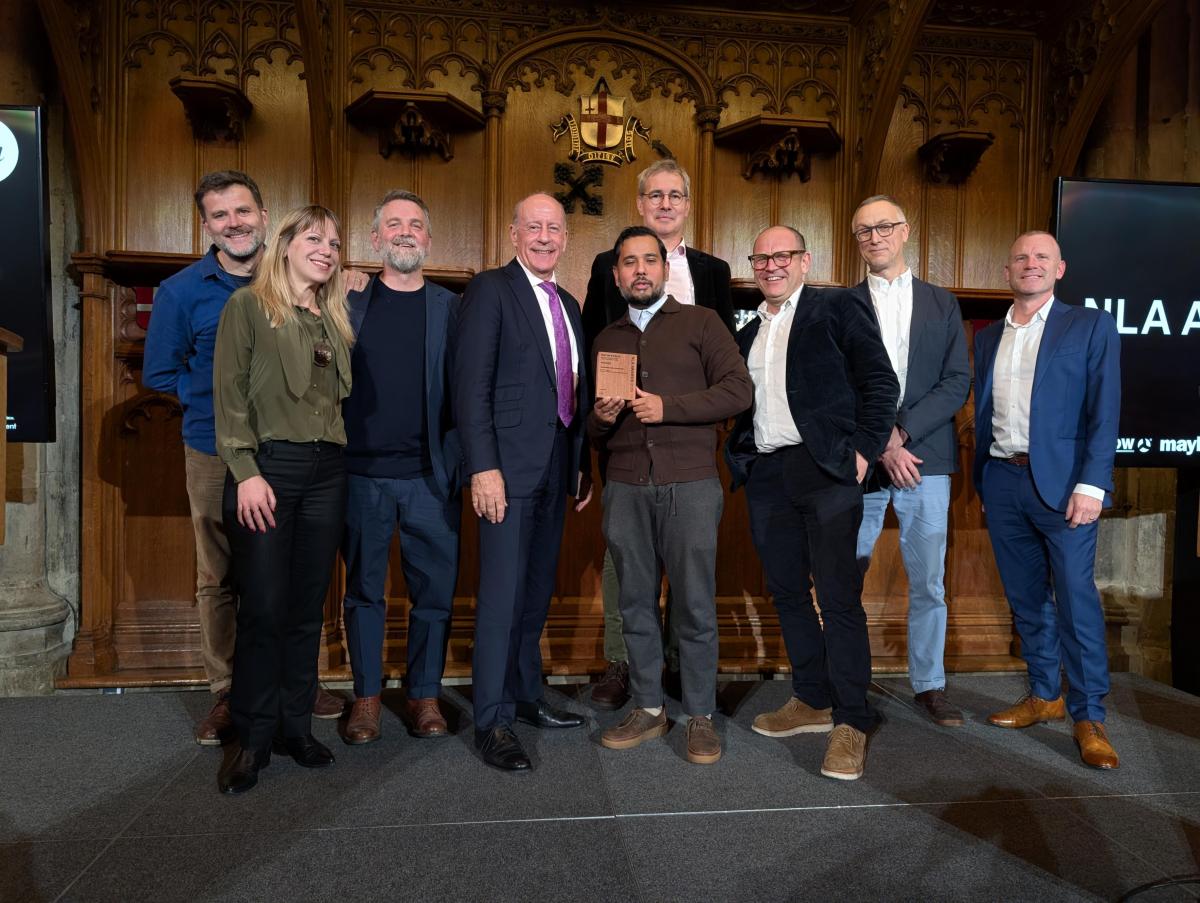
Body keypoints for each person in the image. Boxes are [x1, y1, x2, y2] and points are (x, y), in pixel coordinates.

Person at [143, 172, 344, 744]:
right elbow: (159, 371)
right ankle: (228, 691)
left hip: (290, 451)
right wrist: (217, 396)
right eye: (219, 215)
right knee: (223, 573)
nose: (233, 223)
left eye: (243, 211)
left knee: (287, 578)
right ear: (205, 225)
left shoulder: (300, 278)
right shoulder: (183, 290)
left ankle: (289, 687)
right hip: (214, 448)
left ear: (263, 216)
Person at [726, 226, 897, 781]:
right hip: (768, 473)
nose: (771, 265)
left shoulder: (838, 306)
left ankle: (851, 720)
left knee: (839, 598)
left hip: (827, 470)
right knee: (788, 593)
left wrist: (865, 452)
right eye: (761, 257)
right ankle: (812, 698)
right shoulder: (748, 325)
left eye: (782, 255)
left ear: (804, 260)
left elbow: (880, 383)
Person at [590, 226, 751, 764]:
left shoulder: (702, 322)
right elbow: (589, 432)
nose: (640, 270)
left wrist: (668, 407)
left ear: (664, 269)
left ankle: (700, 715)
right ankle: (649, 708)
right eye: (629, 262)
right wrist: (600, 418)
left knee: (695, 605)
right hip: (626, 484)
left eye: (649, 261)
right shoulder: (606, 338)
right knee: (634, 603)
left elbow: (738, 390)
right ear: (616, 275)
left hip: (691, 484)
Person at [582, 159, 735, 709]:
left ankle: (691, 695)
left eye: (675, 195)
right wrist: (599, 419)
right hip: (626, 462)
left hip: (691, 461)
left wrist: (672, 408)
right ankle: (632, 676)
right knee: (629, 584)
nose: (665, 203)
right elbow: (595, 366)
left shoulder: (709, 292)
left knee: (693, 593)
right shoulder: (608, 297)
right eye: (655, 195)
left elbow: (733, 380)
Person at [212, 205, 354, 794]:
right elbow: (229, 394)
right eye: (315, 238)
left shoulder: (334, 319)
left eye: (335, 242)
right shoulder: (247, 306)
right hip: (267, 470)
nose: (327, 248)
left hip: (327, 472)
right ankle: (251, 735)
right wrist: (244, 470)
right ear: (286, 244)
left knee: (304, 610)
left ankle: (296, 727)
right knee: (264, 608)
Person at [973, 231, 1121, 770]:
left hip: (1066, 489)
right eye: (1020, 257)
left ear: (1060, 269)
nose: (1029, 264)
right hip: (1003, 480)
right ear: (1007, 269)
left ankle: (1089, 715)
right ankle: (1045, 694)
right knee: (1026, 597)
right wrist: (987, 482)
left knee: (1076, 599)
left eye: (1041, 257)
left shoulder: (1089, 326)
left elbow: (1105, 410)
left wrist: (1092, 485)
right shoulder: (989, 336)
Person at [454, 193, 592, 771]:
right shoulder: (491, 289)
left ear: (564, 237)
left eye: (553, 228)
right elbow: (471, 386)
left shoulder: (569, 303)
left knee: (535, 595)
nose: (543, 237)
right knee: (502, 598)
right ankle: (492, 719)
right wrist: (484, 467)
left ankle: (527, 695)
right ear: (513, 234)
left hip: (556, 467)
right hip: (505, 473)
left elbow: (571, 392)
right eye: (533, 227)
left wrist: (580, 465)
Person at [340, 190, 461, 744]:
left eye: (415, 224)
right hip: (360, 474)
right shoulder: (345, 301)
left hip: (429, 477)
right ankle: (366, 696)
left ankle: (423, 695)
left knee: (433, 592)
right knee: (365, 590)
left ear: (429, 239)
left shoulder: (451, 308)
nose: (405, 232)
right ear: (375, 238)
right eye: (394, 224)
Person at [849, 196, 971, 727]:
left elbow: (957, 381)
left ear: (904, 232)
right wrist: (880, 442)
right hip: (860, 458)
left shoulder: (942, 302)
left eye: (883, 227)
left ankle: (929, 684)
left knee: (929, 583)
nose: (874, 237)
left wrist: (901, 433)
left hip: (925, 456)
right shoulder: (841, 304)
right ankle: (845, 680)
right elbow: (838, 385)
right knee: (844, 575)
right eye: (863, 231)